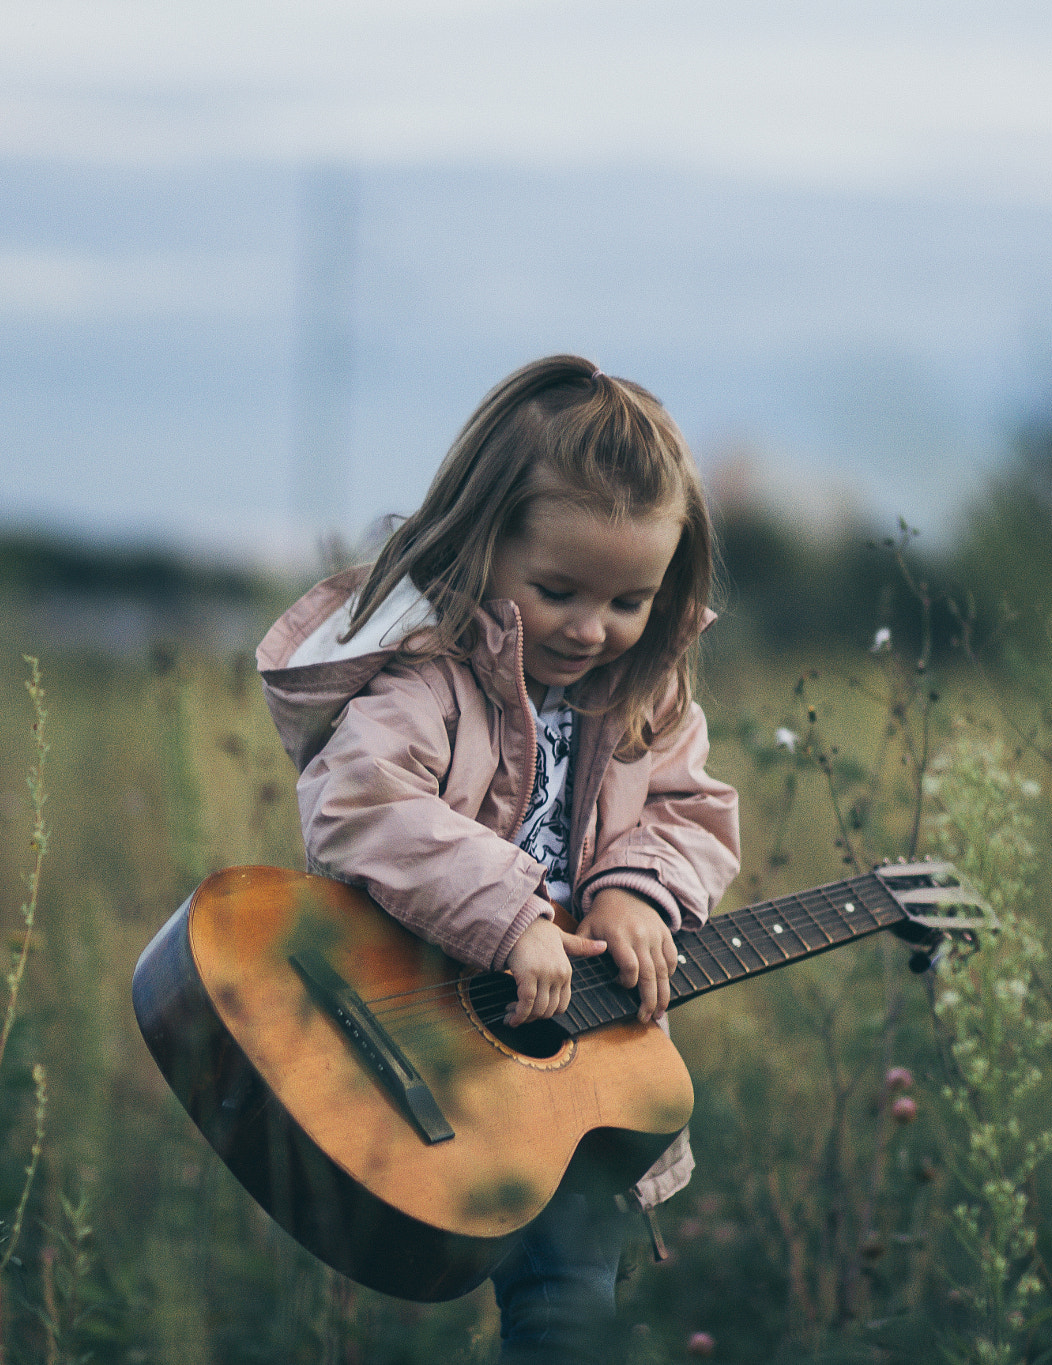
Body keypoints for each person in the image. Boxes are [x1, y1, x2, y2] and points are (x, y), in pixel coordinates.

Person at [256, 355, 739, 1361]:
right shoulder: (431, 684)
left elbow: (691, 812)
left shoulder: (647, 699)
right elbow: (359, 800)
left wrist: (636, 893)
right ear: (480, 548)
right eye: (557, 589)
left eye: (628, 600)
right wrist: (512, 915)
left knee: (569, 1310)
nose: (590, 628)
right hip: (424, 1030)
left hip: (578, 1073)